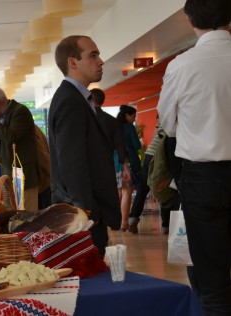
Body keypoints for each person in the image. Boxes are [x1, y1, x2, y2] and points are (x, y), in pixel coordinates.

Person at [156, 1, 231, 314]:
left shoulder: (181, 65)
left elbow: (168, 125)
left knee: (209, 275)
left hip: (202, 179)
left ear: (189, 20)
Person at [48, 35, 120, 254]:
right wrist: (89, 213)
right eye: (93, 55)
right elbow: (72, 163)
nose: (100, 61)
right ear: (72, 62)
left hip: (86, 212)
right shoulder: (70, 101)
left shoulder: (78, 98)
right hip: (83, 217)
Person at [0, 86, 39, 211]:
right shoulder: (3, 115)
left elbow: (12, 138)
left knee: (25, 216)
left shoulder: (19, 111)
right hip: (8, 175)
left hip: (23, 177)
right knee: (11, 215)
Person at [128, 120, 166, 234]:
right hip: (162, 154)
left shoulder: (161, 122)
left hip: (150, 153)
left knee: (143, 188)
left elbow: (155, 136)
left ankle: (132, 220)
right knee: (165, 187)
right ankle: (167, 225)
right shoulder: (177, 118)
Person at [91, 88, 130, 190]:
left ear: (90, 100)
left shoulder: (84, 119)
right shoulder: (112, 121)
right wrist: (126, 168)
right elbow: (120, 146)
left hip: (89, 167)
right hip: (108, 166)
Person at [114, 105, 141, 231]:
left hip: (115, 163)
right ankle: (124, 223)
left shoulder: (114, 127)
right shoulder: (129, 128)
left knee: (119, 192)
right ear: (127, 115)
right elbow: (136, 145)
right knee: (127, 191)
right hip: (127, 163)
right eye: (133, 116)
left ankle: (116, 221)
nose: (134, 119)